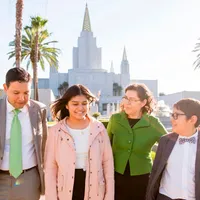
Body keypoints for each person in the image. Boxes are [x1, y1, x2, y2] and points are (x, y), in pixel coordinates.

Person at [45, 84, 114, 200]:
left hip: (95, 188)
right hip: (66, 189)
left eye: (84, 103)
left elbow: (107, 163)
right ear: (67, 105)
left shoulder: (99, 128)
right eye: (75, 104)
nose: (80, 108)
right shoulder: (56, 131)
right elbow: (50, 167)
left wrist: (109, 195)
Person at [107, 83, 167, 200]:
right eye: (125, 98)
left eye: (132, 100)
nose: (127, 103)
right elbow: (104, 146)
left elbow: (169, 144)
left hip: (143, 177)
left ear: (143, 103)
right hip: (116, 176)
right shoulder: (115, 119)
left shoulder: (153, 122)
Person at [0, 67, 48, 200]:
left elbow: (44, 143)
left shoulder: (39, 110)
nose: (22, 98)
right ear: (5, 87)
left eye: (27, 92)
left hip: (29, 180)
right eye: (16, 92)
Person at [146, 98, 200, 200]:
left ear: (192, 119)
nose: (172, 119)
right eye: (172, 114)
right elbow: (155, 173)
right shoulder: (165, 141)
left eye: (176, 115)